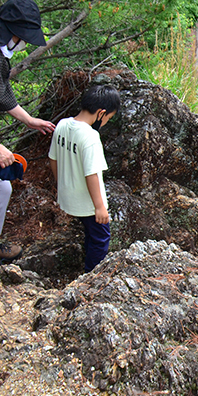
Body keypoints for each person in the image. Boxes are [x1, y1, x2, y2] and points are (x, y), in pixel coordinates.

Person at [0, 0, 56, 263]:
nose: (23, 43)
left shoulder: (1, 54)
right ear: (13, 33)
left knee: (3, 189)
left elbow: (2, 91)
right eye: (23, 37)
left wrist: (29, 119)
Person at [49, 85, 120, 273]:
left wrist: (60, 185)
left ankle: (87, 267)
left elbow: (53, 159)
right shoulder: (90, 137)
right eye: (108, 119)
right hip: (88, 203)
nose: (105, 123)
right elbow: (92, 174)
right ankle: (90, 276)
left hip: (67, 197)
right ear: (101, 113)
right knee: (101, 238)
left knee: (90, 233)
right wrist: (99, 206)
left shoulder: (62, 125)